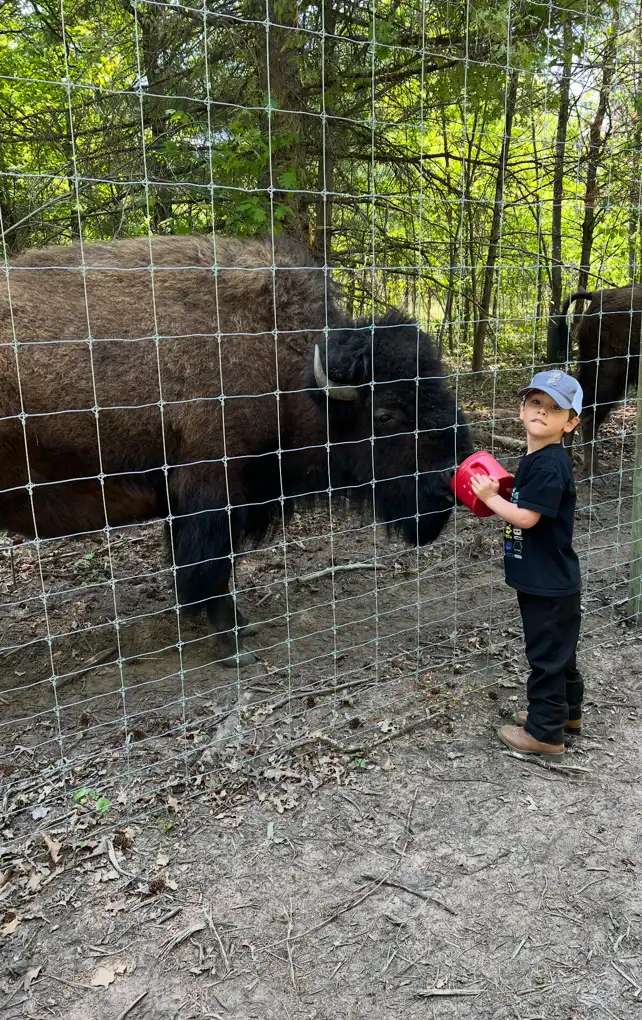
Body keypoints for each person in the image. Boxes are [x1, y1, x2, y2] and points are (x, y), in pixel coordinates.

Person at [470, 370, 583, 762]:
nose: (542, 412)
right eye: (536, 403)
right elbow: (529, 497)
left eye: (555, 409)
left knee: (546, 657)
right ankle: (564, 715)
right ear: (521, 409)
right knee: (559, 654)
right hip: (549, 578)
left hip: (546, 583)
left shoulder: (551, 464)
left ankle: (544, 734)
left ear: (570, 423)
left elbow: (526, 518)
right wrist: (508, 487)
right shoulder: (539, 458)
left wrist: (490, 497)